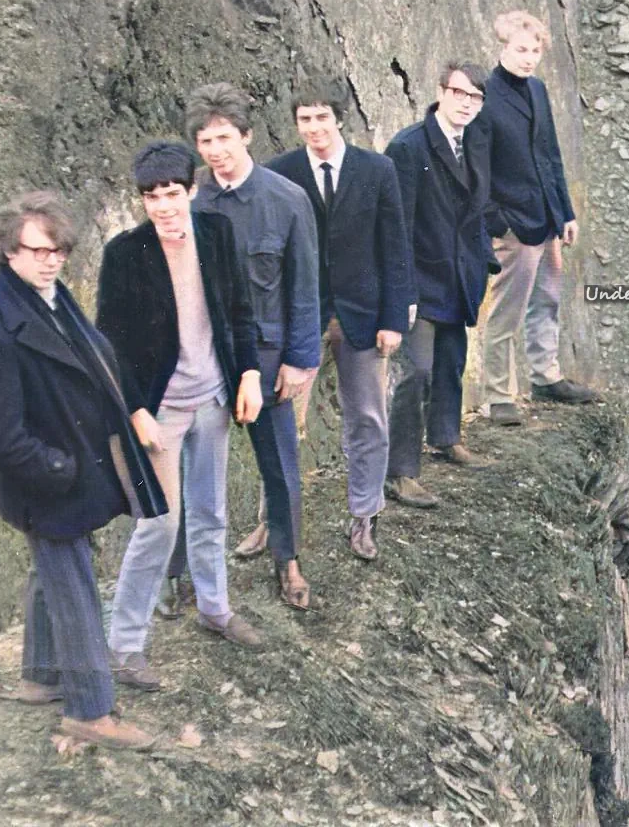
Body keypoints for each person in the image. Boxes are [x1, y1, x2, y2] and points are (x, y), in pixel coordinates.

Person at [0, 191, 164, 750]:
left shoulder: (49, 296)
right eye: (39, 251)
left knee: (51, 574)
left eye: (60, 251)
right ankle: (90, 711)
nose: (51, 261)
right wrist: (61, 471)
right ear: (10, 252)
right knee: (73, 587)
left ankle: (41, 675)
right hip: (46, 481)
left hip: (71, 469)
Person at [96, 142, 263, 690]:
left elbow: (239, 310)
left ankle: (215, 609)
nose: (164, 207)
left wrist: (249, 374)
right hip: (160, 409)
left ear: (192, 190)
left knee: (211, 509)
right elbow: (109, 344)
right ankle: (124, 646)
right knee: (159, 524)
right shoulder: (124, 253)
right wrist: (136, 410)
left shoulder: (217, 233)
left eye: (172, 194)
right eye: (152, 198)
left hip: (213, 398)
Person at [173, 82, 321, 610]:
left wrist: (299, 360)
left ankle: (289, 561)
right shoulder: (187, 198)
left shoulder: (287, 200)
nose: (215, 150)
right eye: (205, 141)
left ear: (247, 135)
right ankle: (180, 573)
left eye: (224, 138)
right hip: (203, 358)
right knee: (190, 467)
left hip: (267, 357)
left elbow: (304, 287)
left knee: (279, 467)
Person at [268, 78, 409, 560]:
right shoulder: (280, 172)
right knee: (282, 419)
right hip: (301, 314)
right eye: (304, 119)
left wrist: (393, 319)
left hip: (363, 315)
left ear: (339, 119)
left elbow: (395, 248)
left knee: (367, 417)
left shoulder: (377, 169)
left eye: (322, 117)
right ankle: (273, 520)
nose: (314, 128)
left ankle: (365, 515)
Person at [384, 61, 491, 507]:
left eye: (475, 97)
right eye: (458, 93)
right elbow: (395, 226)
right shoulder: (408, 147)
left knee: (451, 359)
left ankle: (446, 436)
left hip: (459, 274)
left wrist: (484, 258)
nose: (466, 103)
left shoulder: (476, 142)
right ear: (441, 92)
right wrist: (403, 290)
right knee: (417, 372)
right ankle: (400, 472)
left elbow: (479, 206)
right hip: (421, 278)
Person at [482, 10, 597, 425]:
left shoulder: (537, 88)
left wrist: (565, 212)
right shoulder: (485, 95)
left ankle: (546, 377)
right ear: (503, 46)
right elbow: (476, 168)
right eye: (521, 49)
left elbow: (549, 154)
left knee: (547, 299)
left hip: (547, 217)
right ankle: (497, 396)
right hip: (514, 223)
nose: (529, 58)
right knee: (507, 310)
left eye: (535, 51)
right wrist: (498, 222)